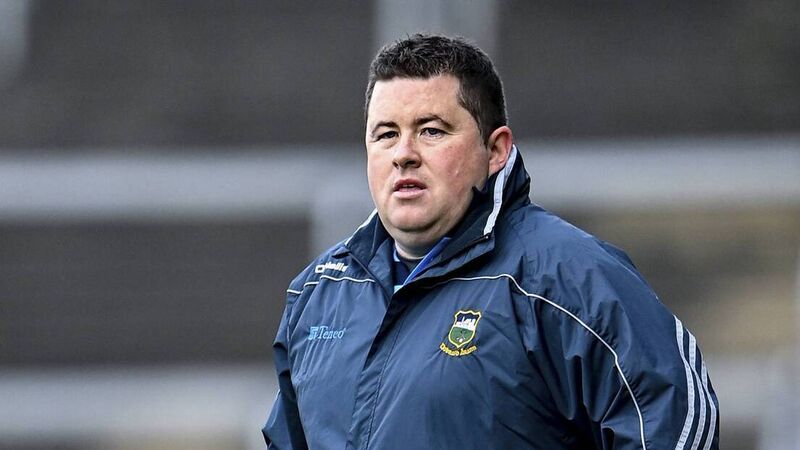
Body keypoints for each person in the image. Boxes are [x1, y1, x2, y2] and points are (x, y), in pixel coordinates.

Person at [262, 34, 719, 450]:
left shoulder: (567, 279)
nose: (403, 154)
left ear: (495, 149)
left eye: (431, 130)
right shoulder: (318, 293)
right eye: (386, 134)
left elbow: (673, 427)